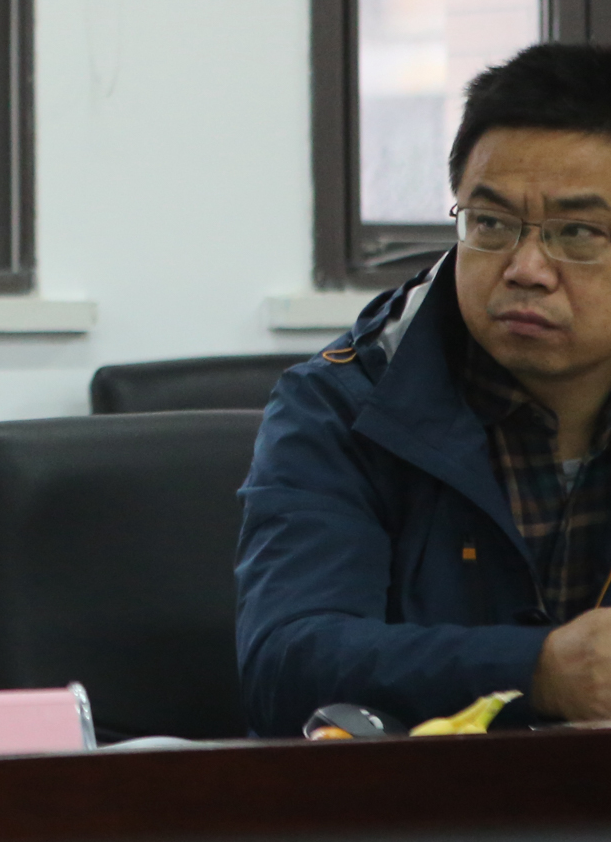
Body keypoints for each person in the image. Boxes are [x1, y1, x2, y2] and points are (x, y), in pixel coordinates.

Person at [238, 43, 611, 736]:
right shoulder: (341, 406)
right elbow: (287, 661)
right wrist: (539, 670)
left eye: (578, 233)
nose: (526, 268)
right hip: (422, 794)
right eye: (491, 224)